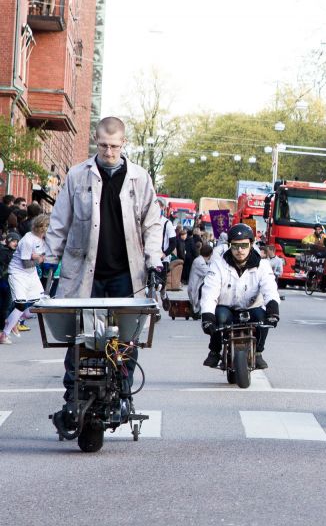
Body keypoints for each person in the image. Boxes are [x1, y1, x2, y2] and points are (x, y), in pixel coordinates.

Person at [44, 117, 164, 405]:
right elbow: (60, 221)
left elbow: (152, 224)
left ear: (123, 144)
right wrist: (49, 260)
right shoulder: (77, 175)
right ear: (95, 142)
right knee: (79, 337)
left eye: (114, 146)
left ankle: (123, 391)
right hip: (86, 272)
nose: (109, 152)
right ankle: (72, 395)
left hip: (126, 274)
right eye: (103, 145)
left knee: (126, 338)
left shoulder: (140, 178)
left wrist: (154, 261)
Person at [199, 224, 280, 370]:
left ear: (252, 244)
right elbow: (209, 292)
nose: (240, 250)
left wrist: (273, 310)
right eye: (235, 246)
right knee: (219, 317)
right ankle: (215, 351)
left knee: (262, 319)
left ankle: (258, 352)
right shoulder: (218, 265)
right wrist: (207, 317)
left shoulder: (263, 265)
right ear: (230, 245)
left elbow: (270, 289)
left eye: (244, 245)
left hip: (252, 307)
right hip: (226, 307)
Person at [1, 216, 49, 345]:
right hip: (18, 273)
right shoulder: (28, 240)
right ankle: (4, 334)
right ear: (42, 228)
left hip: (31, 274)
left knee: (40, 303)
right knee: (21, 304)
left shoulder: (42, 239)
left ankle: (13, 320)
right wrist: (39, 259)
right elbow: (26, 263)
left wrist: (39, 256)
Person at [187, 243, 214, 314]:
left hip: (197, 288)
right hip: (195, 289)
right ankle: (198, 310)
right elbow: (209, 273)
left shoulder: (201, 260)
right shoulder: (199, 262)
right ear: (210, 254)